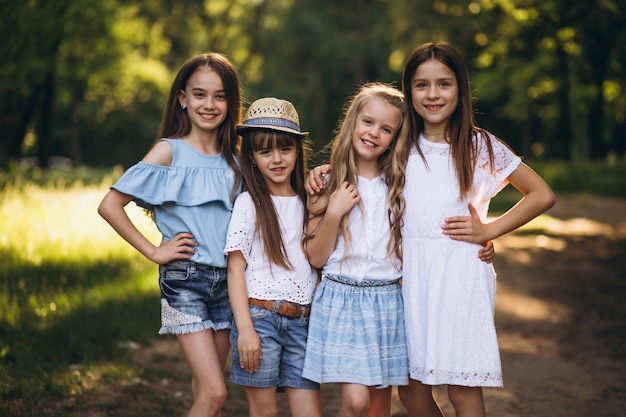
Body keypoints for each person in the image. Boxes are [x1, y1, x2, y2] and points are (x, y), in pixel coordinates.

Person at [394, 41, 556, 417]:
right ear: (409, 91)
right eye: (421, 85)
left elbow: (541, 194)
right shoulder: (399, 144)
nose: (433, 94)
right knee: (411, 390)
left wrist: (488, 231)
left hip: (460, 275)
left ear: (460, 90)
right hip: (409, 276)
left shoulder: (478, 145)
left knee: (462, 389)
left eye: (444, 84)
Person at [97, 52, 243, 417]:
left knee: (204, 391)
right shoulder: (169, 151)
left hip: (230, 284)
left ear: (231, 102)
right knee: (214, 393)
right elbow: (110, 205)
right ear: (182, 98)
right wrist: (153, 251)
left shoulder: (237, 161)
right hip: (186, 280)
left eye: (220, 96)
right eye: (199, 94)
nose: (209, 104)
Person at [301, 82, 411, 417]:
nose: (374, 132)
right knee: (356, 402)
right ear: (353, 123)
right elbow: (317, 258)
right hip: (342, 299)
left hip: (387, 301)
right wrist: (333, 211)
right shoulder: (328, 182)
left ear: (396, 138)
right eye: (368, 122)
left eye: (386, 128)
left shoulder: (401, 187)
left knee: (378, 406)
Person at [224, 97, 322, 417]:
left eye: (285, 149)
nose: (277, 159)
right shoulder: (249, 203)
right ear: (251, 157)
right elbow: (235, 270)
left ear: (297, 150)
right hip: (260, 319)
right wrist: (246, 329)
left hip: (304, 321)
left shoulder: (310, 201)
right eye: (265, 151)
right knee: (264, 411)